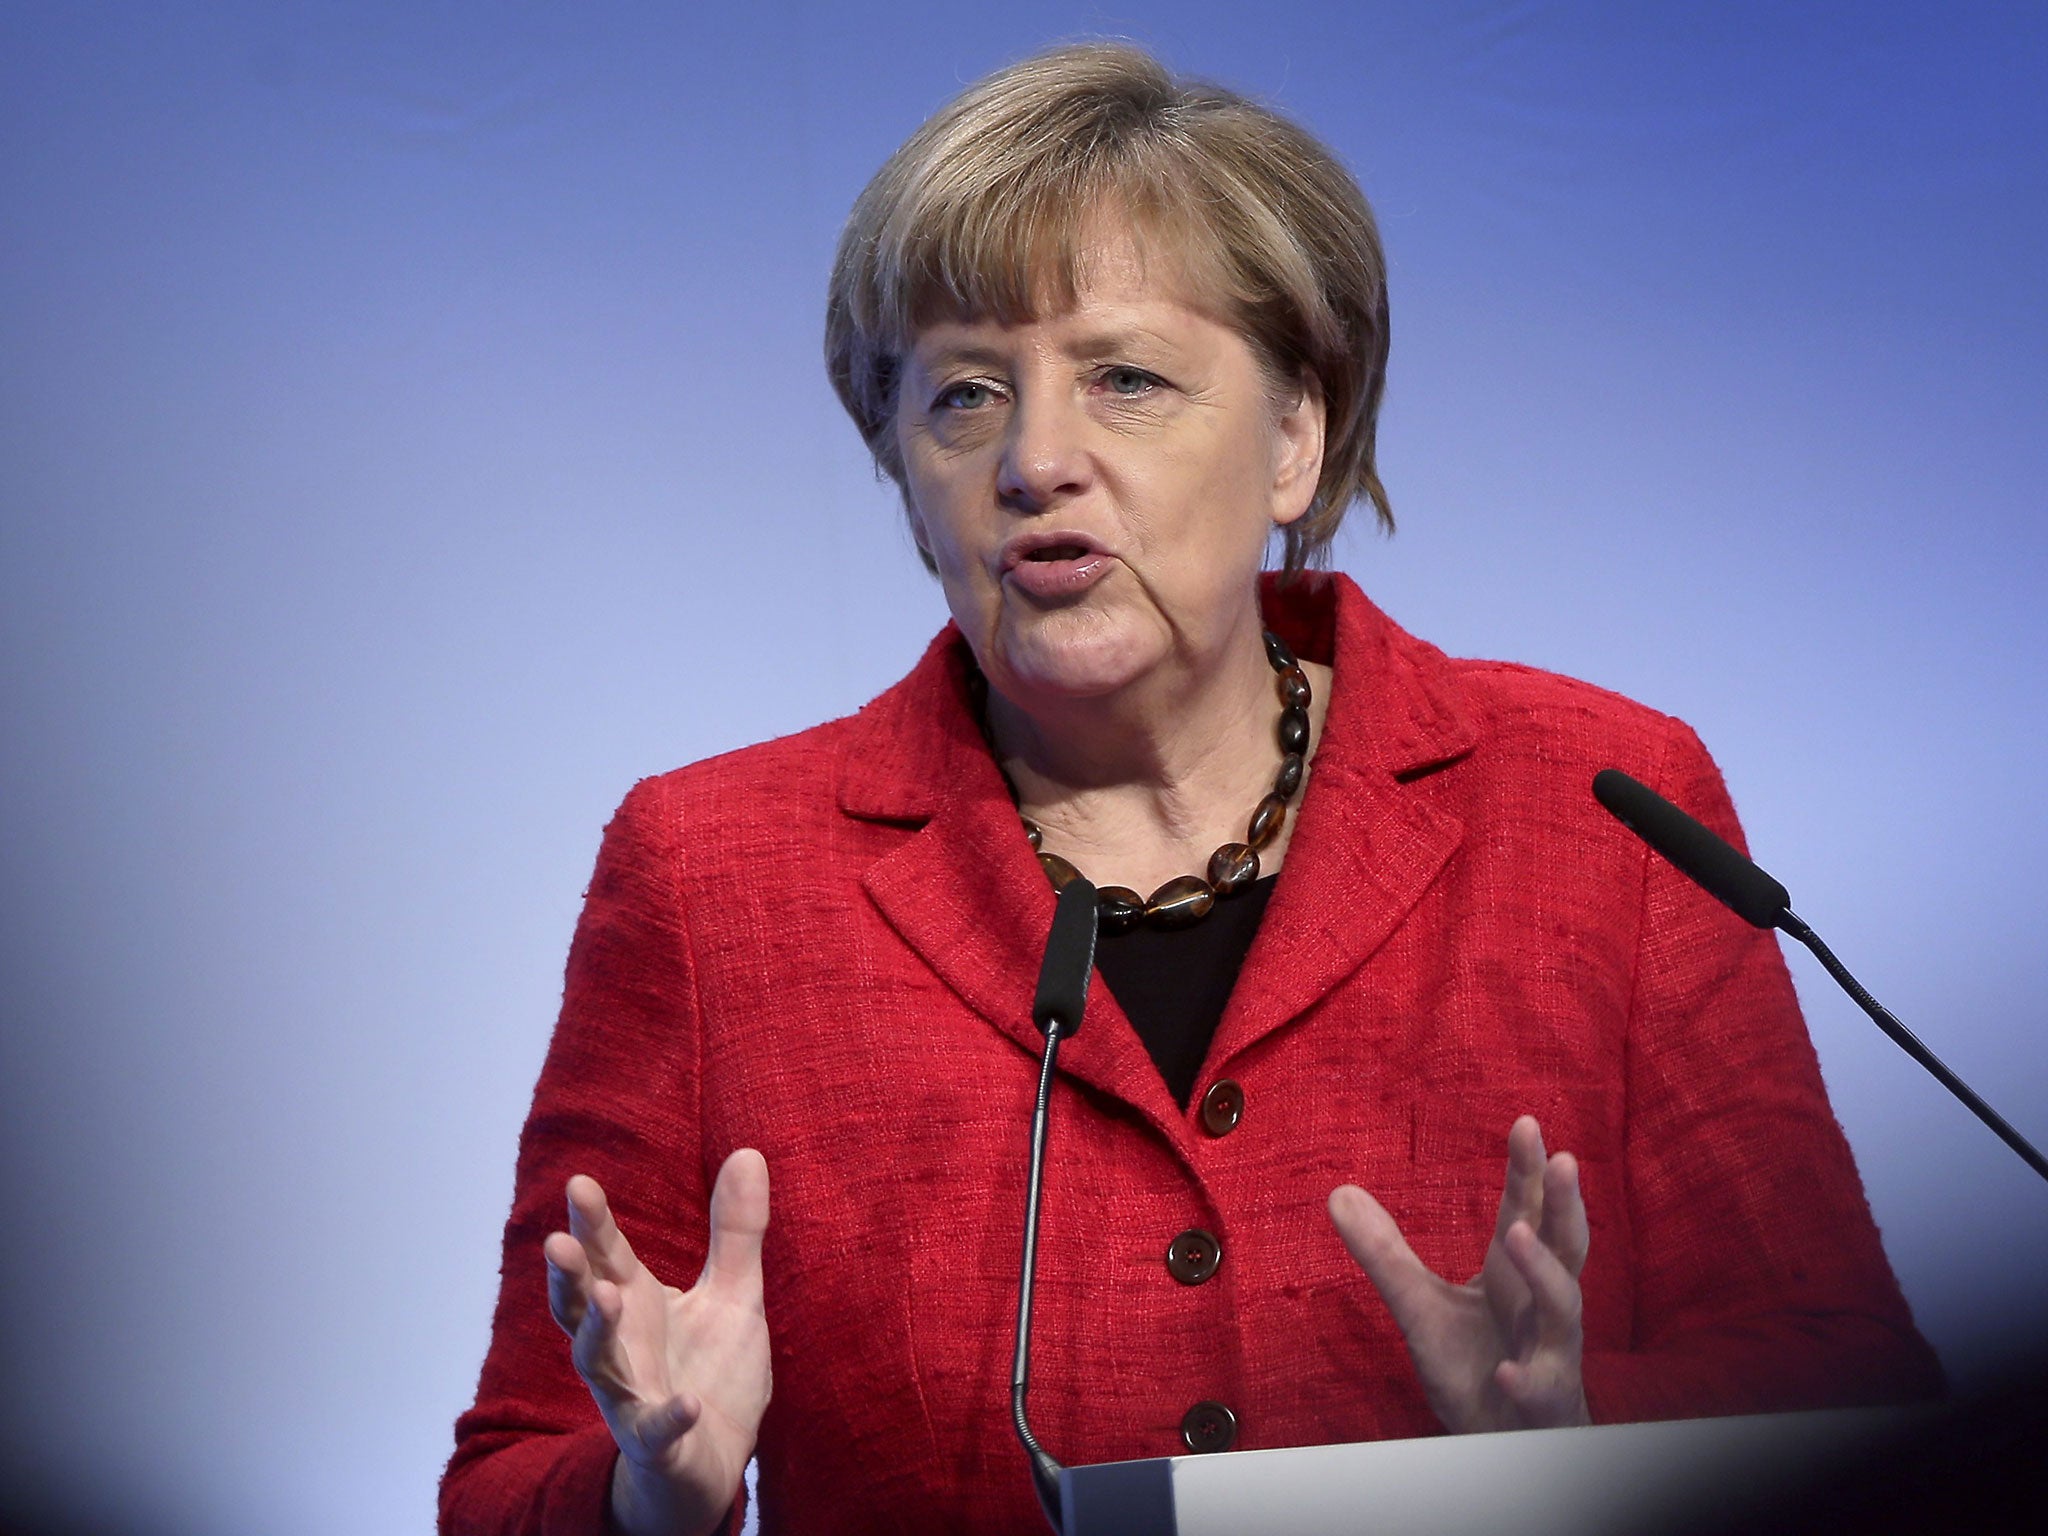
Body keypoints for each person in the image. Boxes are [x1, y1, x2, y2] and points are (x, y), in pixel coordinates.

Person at [440, 42, 1941, 1536]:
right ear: (900, 460)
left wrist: (1578, 1442)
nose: (1035, 459)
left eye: (1129, 380)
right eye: (964, 394)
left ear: (1297, 434)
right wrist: (655, 1494)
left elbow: (1857, 1394)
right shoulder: (714, 878)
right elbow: (507, 1482)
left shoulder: (1601, 806)